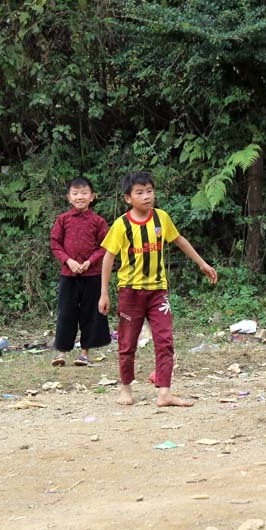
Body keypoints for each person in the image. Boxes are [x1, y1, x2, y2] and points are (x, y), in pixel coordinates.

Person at [98, 171, 218, 407]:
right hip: (130, 292)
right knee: (127, 342)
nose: (146, 197)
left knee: (165, 341)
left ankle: (164, 393)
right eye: (139, 193)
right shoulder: (121, 225)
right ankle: (125, 389)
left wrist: (202, 264)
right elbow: (108, 258)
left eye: (150, 191)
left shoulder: (161, 218)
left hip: (158, 292)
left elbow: (179, 240)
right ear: (127, 198)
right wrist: (104, 292)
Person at [49, 176, 112, 367]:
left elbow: (105, 246)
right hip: (68, 276)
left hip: (92, 276)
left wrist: (90, 261)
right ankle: (61, 353)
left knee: (90, 314)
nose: (80, 197)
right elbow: (54, 243)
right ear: (68, 197)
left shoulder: (98, 221)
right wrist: (68, 261)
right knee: (66, 313)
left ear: (92, 197)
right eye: (75, 194)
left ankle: (84, 353)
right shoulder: (62, 220)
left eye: (84, 193)